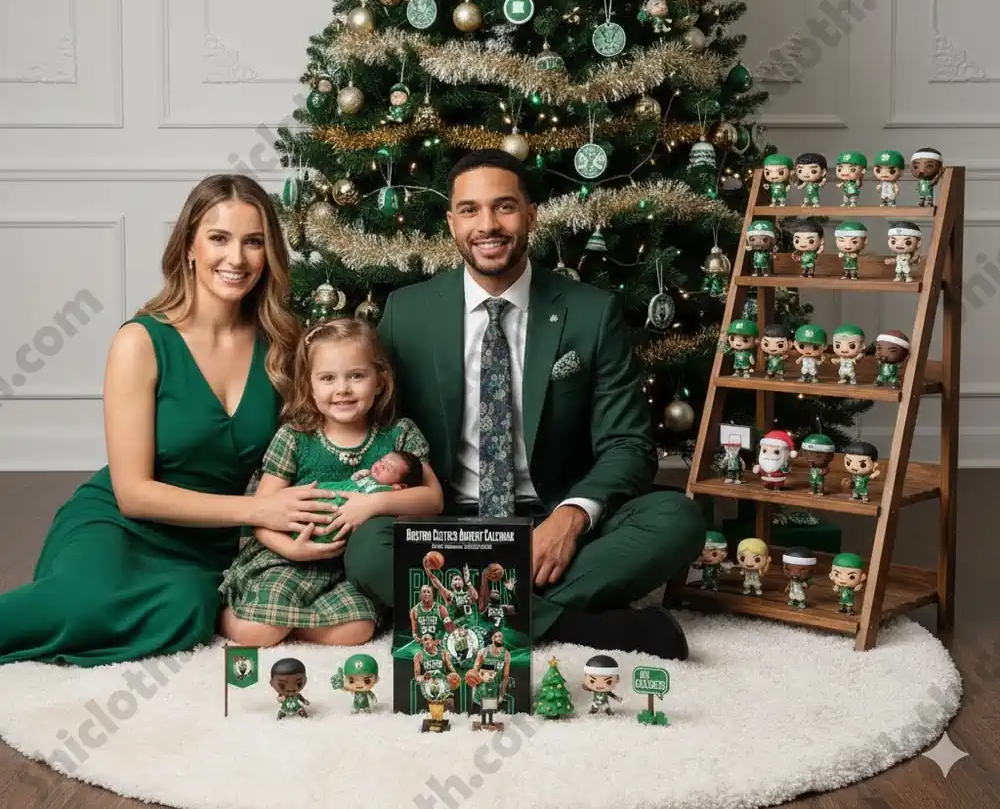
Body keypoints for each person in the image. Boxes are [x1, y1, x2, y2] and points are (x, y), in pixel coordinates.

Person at [344, 149, 705, 660]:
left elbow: (627, 445)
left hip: (547, 517)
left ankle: (470, 608)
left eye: (504, 207)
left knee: (676, 519)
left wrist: (571, 518)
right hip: (446, 521)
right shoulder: (408, 312)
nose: (487, 225)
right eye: (469, 210)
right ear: (451, 222)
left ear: (531, 215)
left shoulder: (590, 311)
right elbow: (375, 428)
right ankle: (587, 628)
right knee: (369, 549)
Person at [0, 174, 341, 667]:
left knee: (188, 610)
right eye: (219, 238)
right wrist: (258, 512)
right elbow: (133, 494)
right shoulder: (141, 342)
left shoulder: (284, 347)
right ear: (189, 248)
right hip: (122, 523)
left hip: (209, 545)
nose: (236, 259)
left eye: (253, 242)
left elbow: (313, 448)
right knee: (81, 601)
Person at [218, 318, 443, 646]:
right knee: (258, 633)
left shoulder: (399, 434)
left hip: (348, 568)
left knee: (358, 631)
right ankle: (235, 615)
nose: (342, 389)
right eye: (327, 378)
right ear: (309, 386)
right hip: (288, 555)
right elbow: (260, 515)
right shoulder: (296, 438)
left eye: (356, 376)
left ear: (380, 381)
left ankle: (286, 624)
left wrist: (372, 503)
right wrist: (292, 549)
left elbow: (433, 499)